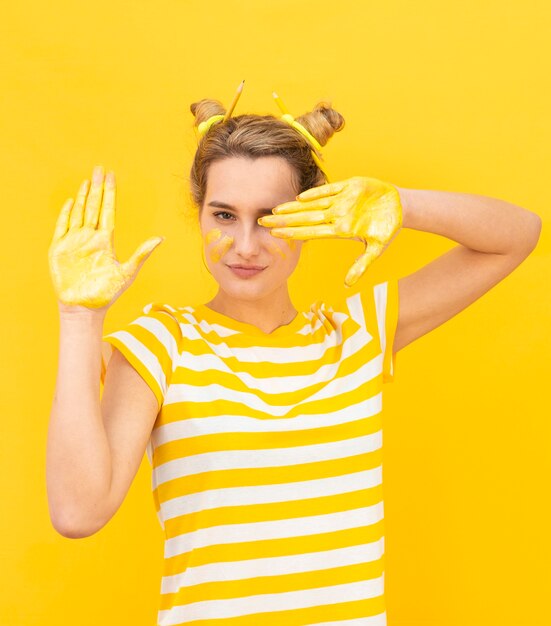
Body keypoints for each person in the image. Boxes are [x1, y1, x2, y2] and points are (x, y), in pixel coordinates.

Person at [46, 88, 542, 625]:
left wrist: (402, 203)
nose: (245, 245)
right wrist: (79, 318)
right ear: (201, 215)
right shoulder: (161, 344)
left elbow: (517, 235)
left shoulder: (355, 336)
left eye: (271, 217)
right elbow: (77, 512)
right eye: (224, 215)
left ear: (315, 216)